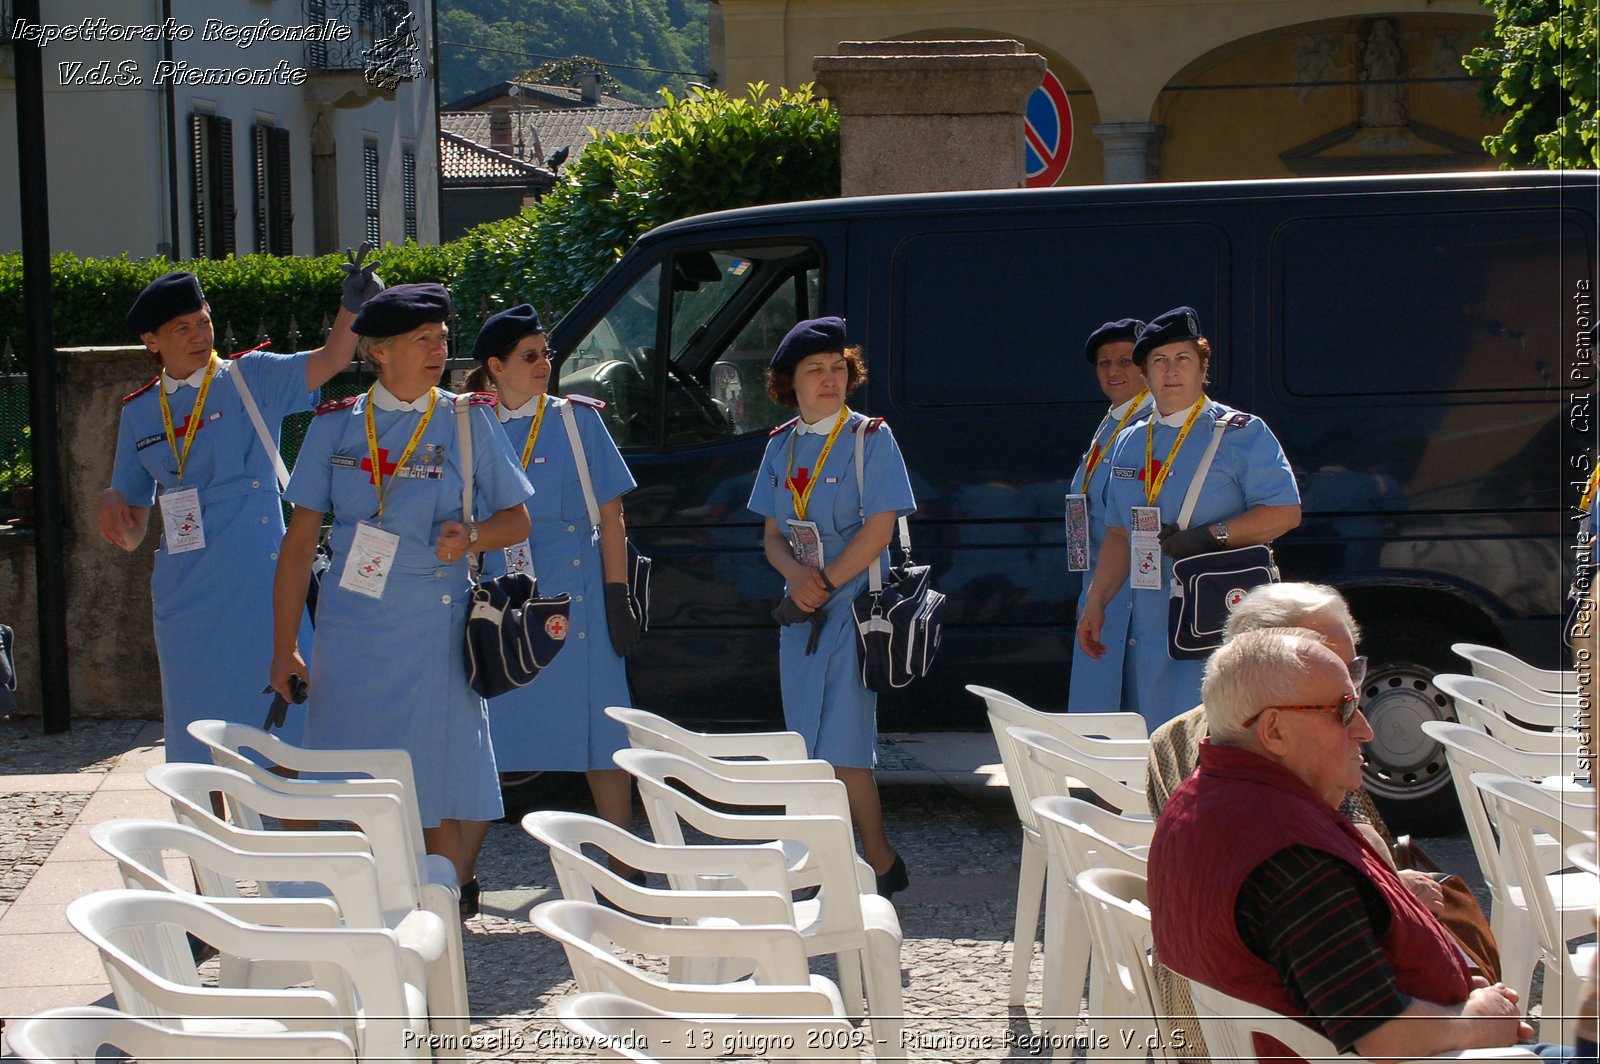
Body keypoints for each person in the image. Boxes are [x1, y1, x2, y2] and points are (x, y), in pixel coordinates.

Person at [1149, 628, 1534, 1062]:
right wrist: (1472, 1018)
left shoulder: (1203, 798)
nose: (1366, 730)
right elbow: (1381, 1034)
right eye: (1344, 709)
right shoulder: (1290, 855)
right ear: (1273, 730)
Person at [269, 283, 533, 914]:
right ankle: (366, 910)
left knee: (433, 782)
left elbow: (518, 521)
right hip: (350, 631)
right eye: (422, 339)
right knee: (350, 780)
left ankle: (435, 915)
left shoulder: (468, 420)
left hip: (435, 626)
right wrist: (285, 648)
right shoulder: (335, 425)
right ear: (379, 351)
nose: (438, 349)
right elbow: (299, 543)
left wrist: (472, 535)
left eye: (442, 337)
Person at [99, 252, 382, 763]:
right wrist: (115, 511)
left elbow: (331, 359)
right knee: (196, 733)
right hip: (187, 596)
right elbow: (136, 526)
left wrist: (350, 308)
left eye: (203, 321)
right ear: (152, 341)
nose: (198, 335)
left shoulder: (250, 376)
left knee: (291, 725)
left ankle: (292, 834)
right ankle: (208, 840)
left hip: (263, 584)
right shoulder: (140, 411)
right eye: (182, 328)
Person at [462, 305, 643, 877]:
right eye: (530, 356)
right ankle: (459, 876)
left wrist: (618, 594)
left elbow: (612, 515)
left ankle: (626, 860)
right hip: (503, 599)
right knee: (483, 740)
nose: (545, 364)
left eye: (547, 353)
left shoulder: (577, 420)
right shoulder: (468, 425)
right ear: (495, 366)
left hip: (580, 594)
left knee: (604, 736)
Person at [747, 317, 917, 899]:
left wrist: (823, 580)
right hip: (802, 611)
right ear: (788, 382)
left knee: (845, 744)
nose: (829, 379)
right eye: (814, 370)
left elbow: (880, 529)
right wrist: (797, 577)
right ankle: (846, 861)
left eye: (838, 368)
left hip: (853, 608)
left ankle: (868, 859)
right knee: (804, 743)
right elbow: (772, 534)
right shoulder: (780, 445)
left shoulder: (872, 439)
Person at [1076, 306, 1301, 730]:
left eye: (1183, 359)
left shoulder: (1240, 432)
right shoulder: (1129, 440)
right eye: (1158, 361)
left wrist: (1210, 535)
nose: (1171, 371)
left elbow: (1284, 513)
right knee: (1156, 734)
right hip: (1149, 620)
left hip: (1215, 618)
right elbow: (1120, 534)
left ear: (1202, 369)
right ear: (1146, 374)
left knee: (1217, 733)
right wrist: (1096, 601)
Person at [1066, 318, 1151, 713]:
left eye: (1125, 361)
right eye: (1104, 363)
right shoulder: (1112, 422)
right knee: (1099, 718)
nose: (1114, 371)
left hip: (1135, 592)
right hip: (1100, 590)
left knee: (1136, 711)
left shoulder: (1151, 426)